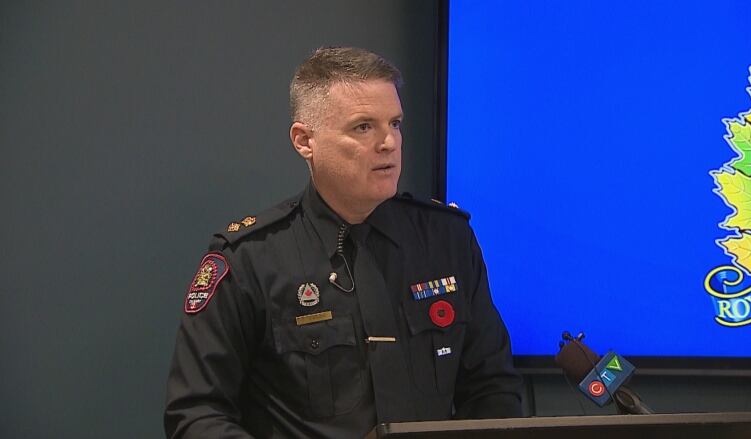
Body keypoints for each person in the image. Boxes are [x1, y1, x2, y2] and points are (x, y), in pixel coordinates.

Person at [165, 47, 523, 439]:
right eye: (363, 127)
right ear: (305, 141)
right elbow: (197, 414)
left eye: (396, 123)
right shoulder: (249, 259)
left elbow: (492, 388)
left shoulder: (446, 239)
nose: (389, 142)